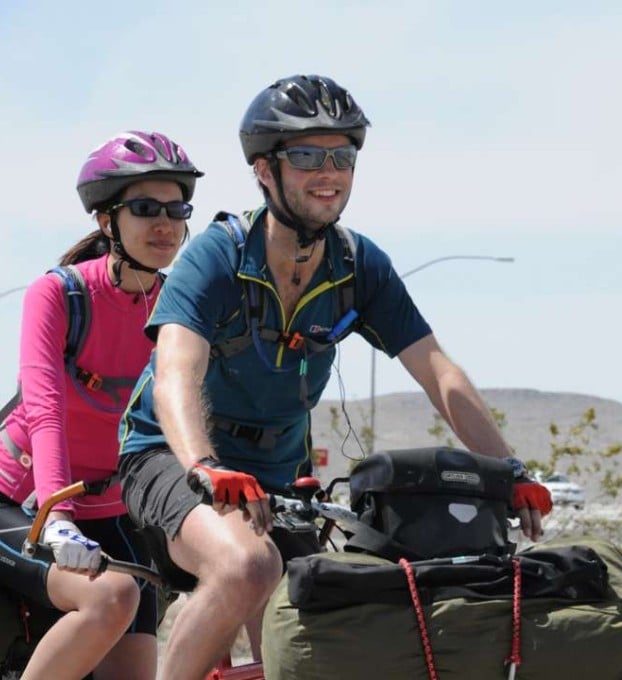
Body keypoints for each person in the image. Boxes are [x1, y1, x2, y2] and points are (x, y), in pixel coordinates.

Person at [115, 74, 552, 679]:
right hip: (170, 455)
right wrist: (202, 465)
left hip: (277, 473)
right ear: (265, 170)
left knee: (316, 629)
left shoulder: (358, 264)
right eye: (305, 155)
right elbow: (175, 374)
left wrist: (510, 471)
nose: (328, 171)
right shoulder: (219, 255)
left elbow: (439, 373)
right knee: (248, 567)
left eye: (341, 155)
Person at [0, 131, 202, 680]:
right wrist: (57, 519)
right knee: (111, 598)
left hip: (112, 509)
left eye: (176, 208)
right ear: (107, 221)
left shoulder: (181, 306)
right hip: (23, 499)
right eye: (144, 209)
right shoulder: (60, 293)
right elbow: (44, 407)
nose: (165, 224)